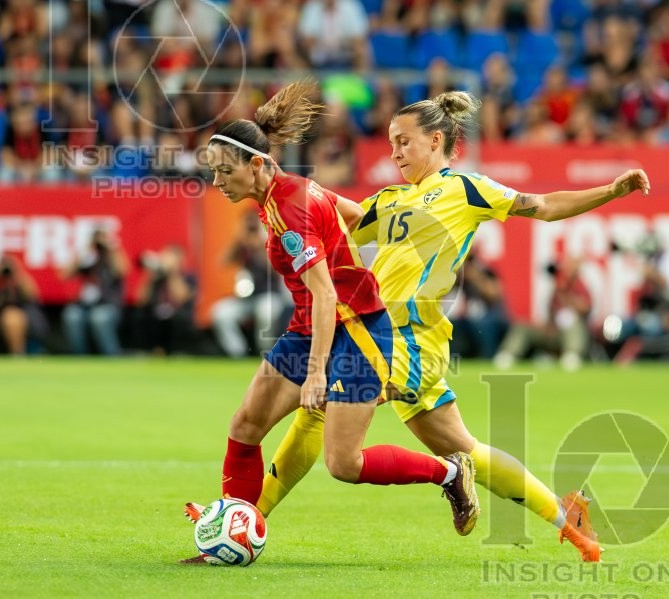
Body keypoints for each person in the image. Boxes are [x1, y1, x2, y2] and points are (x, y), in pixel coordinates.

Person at [233, 90, 651, 562]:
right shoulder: (390, 199)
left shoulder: (465, 189)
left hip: (409, 340)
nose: (394, 153)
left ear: (436, 141)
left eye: (404, 142)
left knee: (319, 410)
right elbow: (335, 218)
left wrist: (610, 191)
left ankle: (246, 522)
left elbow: (544, 205)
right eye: (391, 143)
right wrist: (280, 185)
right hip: (383, 335)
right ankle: (566, 515)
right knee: (465, 449)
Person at [182, 81, 480, 564]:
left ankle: (449, 473)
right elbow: (356, 213)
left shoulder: (290, 209)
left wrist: (317, 372)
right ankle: (232, 535)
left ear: (256, 165)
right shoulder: (287, 192)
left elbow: (326, 294)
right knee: (246, 424)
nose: (216, 181)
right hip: (311, 324)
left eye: (223, 170)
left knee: (344, 462)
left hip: (357, 329)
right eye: (212, 171)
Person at [211, 211, 289, 358]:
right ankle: (237, 353)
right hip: (246, 298)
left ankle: (265, 352)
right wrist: (239, 239)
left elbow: (277, 269)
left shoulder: (269, 243)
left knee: (266, 312)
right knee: (221, 313)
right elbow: (223, 262)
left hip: (269, 295)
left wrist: (261, 245)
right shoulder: (241, 245)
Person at [493, 257, 592, 372]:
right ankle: (507, 354)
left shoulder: (580, 286)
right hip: (552, 330)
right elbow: (550, 312)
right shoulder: (556, 285)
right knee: (522, 325)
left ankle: (572, 355)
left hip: (569, 333)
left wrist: (564, 295)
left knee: (573, 323)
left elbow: (584, 308)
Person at [59, 228, 128, 355]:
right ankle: (80, 357)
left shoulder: (111, 258)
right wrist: (85, 250)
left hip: (108, 305)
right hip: (85, 306)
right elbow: (64, 275)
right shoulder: (88, 258)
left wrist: (110, 248)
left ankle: (111, 355)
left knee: (99, 317)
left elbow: (123, 271)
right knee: (72, 315)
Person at [134, 244, 195, 355]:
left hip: (177, 316)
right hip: (154, 316)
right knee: (141, 316)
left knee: (179, 320)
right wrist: (150, 274)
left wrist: (172, 273)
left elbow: (182, 298)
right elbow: (140, 300)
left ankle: (177, 352)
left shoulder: (188, 277)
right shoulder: (156, 277)